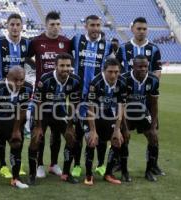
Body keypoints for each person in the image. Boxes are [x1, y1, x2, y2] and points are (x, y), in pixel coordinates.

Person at [28, 11, 71, 178]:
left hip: (59, 98)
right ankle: (39, 164)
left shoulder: (66, 42)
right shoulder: (37, 42)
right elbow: (25, 57)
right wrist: (34, 69)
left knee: (58, 132)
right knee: (40, 131)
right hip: (42, 97)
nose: (55, 27)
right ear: (46, 25)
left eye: (58, 24)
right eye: (52, 24)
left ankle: (53, 164)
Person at [28, 53, 82, 185]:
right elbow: (38, 103)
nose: (65, 68)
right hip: (42, 113)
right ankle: (35, 170)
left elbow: (74, 104)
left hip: (59, 112)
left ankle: (65, 173)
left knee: (71, 138)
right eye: (62, 65)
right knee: (36, 139)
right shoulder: (45, 79)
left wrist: (70, 126)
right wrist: (38, 126)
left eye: (68, 65)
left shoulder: (75, 80)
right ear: (56, 66)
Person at [71, 15, 113, 177]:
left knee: (101, 133)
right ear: (86, 27)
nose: (95, 28)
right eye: (92, 25)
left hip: (99, 98)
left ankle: (101, 164)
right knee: (79, 132)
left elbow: (112, 68)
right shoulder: (76, 40)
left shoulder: (107, 45)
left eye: (98, 25)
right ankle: (76, 165)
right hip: (80, 96)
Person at [0, 66, 33, 192]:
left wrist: (16, 131)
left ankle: (15, 179)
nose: (19, 83)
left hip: (11, 118)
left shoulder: (27, 88)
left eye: (22, 79)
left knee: (17, 143)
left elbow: (22, 110)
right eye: (16, 80)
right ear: (7, 78)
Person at [0, 13, 30, 178]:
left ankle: (16, 164)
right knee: (1, 131)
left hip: (18, 94)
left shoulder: (27, 44)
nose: (15, 27)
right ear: (7, 26)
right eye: (12, 24)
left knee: (18, 129)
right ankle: (2, 165)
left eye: (17, 24)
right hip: (1, 94)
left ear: (22, 27)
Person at [84, 58, 126, 186]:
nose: (113, 75)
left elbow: (121, 107)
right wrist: (93, 131)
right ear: (104, 71)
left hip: (108, 114)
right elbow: (90, 108)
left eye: (116, 72)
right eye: (110, 72)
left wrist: (117, 130)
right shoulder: (95, 83)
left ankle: (108, 173)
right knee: (91, 141)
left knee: (118, 140)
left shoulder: (122, 82)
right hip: (93, 115)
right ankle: (88, 175)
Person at [122, 55, 163, 182]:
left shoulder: (153, 80)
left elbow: (154, 104)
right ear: (133, 66)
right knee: (123, 139)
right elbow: (120, 105)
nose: (143, 69)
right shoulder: (124, 79)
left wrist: (153, 127)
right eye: (140, 66)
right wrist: (124, 128)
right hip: (126, 114)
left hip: (143, 113)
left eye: (145, 66)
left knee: (153, 138)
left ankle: (149, 171)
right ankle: (124, 171)